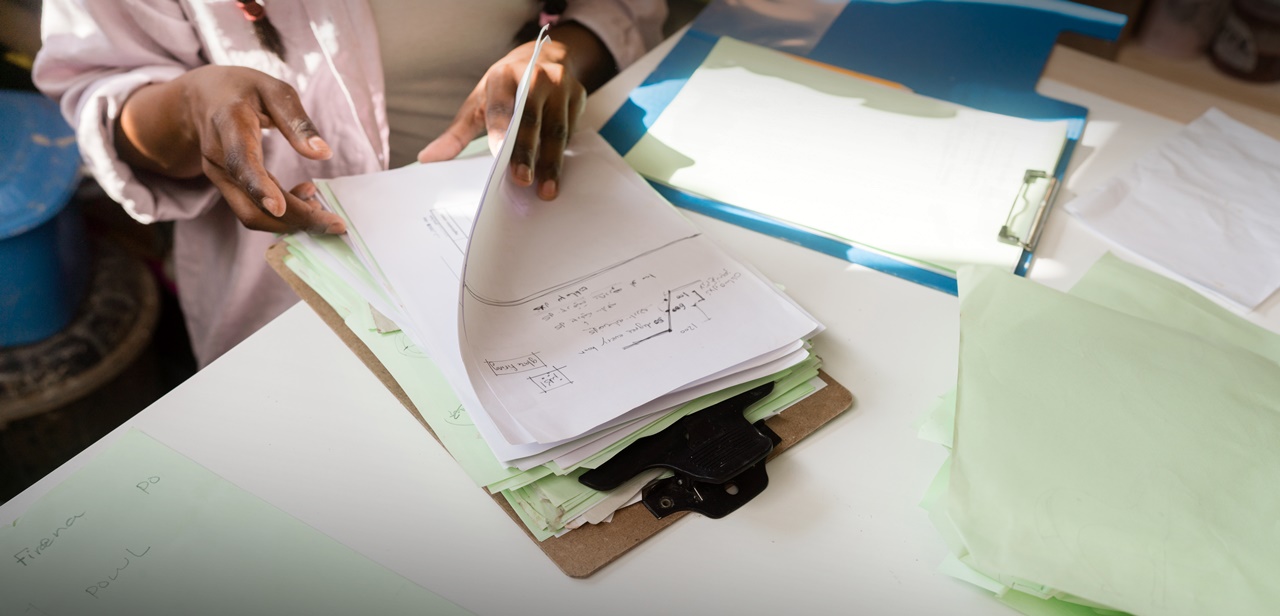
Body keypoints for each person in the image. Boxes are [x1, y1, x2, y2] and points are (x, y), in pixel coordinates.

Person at [34, 0, 666, 367]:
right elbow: (105, 97)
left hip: (544, 228)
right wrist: (189, 109)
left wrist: (555, 56)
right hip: (293, 307)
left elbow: (618, 7)